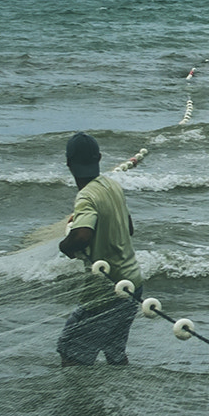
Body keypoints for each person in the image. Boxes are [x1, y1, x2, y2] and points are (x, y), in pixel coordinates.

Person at [56, 132, 142, 366]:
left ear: (68, 164)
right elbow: (130, 227)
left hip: (106, 292)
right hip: (133, 285)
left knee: (70, 351)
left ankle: (81, 402)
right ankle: (120, 397)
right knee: (114, 352)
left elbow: (82, 236)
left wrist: (65, 245)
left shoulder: (85, 196)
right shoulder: (112, 186)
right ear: (100, 157)